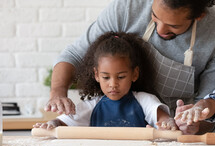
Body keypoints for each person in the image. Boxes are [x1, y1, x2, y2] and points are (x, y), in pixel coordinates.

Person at [44, 0, 215, 134]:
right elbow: (75, 55)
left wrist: (192, 123)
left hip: (173, 133)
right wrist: (58, 91)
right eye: (155, 17)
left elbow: (211, 102)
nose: (160, 30)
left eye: (172, 26)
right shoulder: (127, 7)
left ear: (199, 17)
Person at [35, 32, 177, 130]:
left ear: (134, 74)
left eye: (121, 77)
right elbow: (61, 122)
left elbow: (164, 119)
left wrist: (168, 124)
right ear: (96, 75)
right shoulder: (91, 107)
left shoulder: (145, 101)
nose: (113, 84)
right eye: (106, 77)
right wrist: (51, 124)